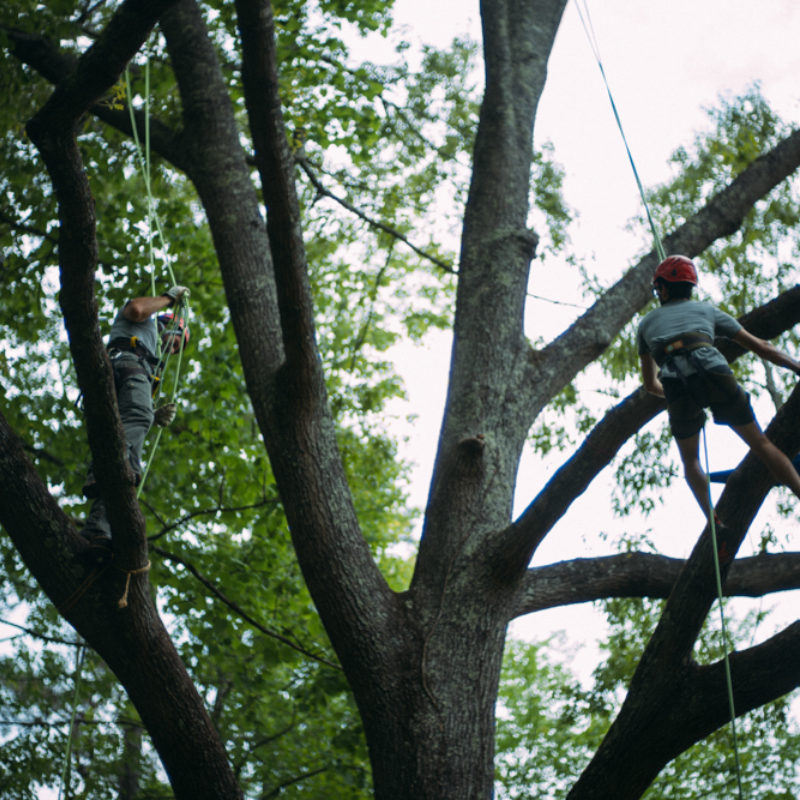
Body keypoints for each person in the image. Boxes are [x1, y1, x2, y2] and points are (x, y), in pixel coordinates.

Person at [638, 255, 800, 522]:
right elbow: (763, 347)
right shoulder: (707, 311)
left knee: (691, 462)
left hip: (676, 384)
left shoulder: (645, 324)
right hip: (715, 372)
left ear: (663, 289)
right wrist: (795, 366)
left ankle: (713, 522)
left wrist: (679, 395)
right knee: (760, 444)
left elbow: (650, 384)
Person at [80, 285, 190, 557]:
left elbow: (130, 416)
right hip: (126, 366)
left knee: (128, 450)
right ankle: (104, 474)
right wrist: (168, 299)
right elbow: (136, 309)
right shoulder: (146, 324)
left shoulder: (150, 357)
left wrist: (152, 417)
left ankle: (99, 531)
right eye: (175, 341)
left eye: (176, 349)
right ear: (168, 325)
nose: (172, 350)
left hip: (117, 375)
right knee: (132, 449)